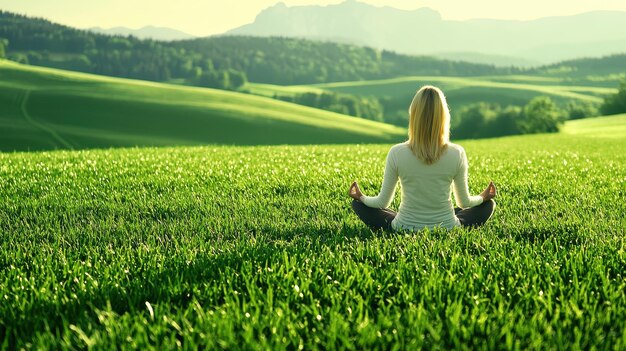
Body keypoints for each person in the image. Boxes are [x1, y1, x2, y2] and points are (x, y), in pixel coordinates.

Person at [349, 85, 496, 231]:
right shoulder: (457, 152)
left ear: (414, 115)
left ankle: (404, 218)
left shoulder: (397, 152)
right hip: (447, 226)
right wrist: (483, 197)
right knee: (488, 205)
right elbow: (464, 202)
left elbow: (382, 203)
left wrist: (361, 197)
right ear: (444, 116)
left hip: (404, 227)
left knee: (358, 205)